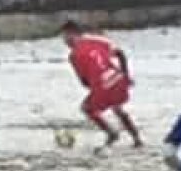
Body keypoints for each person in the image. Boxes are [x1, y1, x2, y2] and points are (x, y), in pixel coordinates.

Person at [60, 20, 142, 149]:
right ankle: (136, 138)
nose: (64, 41)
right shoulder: (99, 40)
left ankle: (111, 133)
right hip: (117, 78)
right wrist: (126, 75)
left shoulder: (74, 56)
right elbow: (120, 54)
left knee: (87, 108)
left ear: (73, 34)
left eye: (65, 37)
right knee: (117, 108)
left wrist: (96, 89)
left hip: (102, 85)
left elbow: (84, 82)